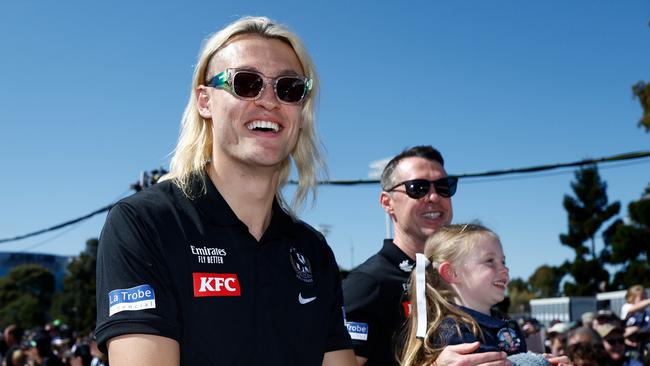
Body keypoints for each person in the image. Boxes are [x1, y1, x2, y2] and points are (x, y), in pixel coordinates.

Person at [94, 16, 355, 365]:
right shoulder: (145, 223)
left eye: (289, 88)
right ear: (205, 101)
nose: (269, 101)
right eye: (246, 83)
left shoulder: (313, 251)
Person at [343, 146, 511, 366]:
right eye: (418, 188)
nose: (433, 197)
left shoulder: (467, 277)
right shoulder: (369, 283)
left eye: (443, 187)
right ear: (387, 202)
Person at [400, 224, 526, 365]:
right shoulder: (455, 331)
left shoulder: (505, 322)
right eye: (490, 261)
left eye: (503, 261)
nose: (504, 269)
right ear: (452, 273)